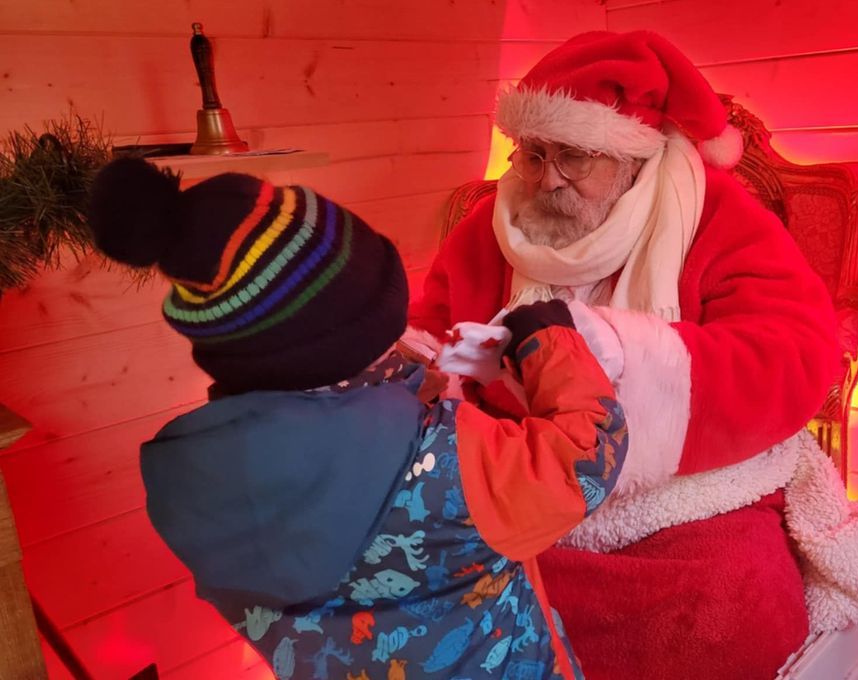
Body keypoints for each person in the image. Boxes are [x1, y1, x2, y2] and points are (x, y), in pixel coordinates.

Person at [405, 30, 858, 679]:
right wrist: (435, 360)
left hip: (686, 483)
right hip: (517, 468)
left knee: (730, 607)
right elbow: (435, 323)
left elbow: (795, 352)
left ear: (633, 157)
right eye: (532, 155)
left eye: (575, 157)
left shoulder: (718, 215)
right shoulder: (493, 221)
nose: (546, 179)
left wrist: (612, 353)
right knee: (410, 566)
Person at [86, 157, 628, 680]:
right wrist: (548, 337)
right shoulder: (446, 459)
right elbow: (586, 456)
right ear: (356, 329)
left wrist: (407, 387)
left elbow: (330, 448)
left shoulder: (193, 483)